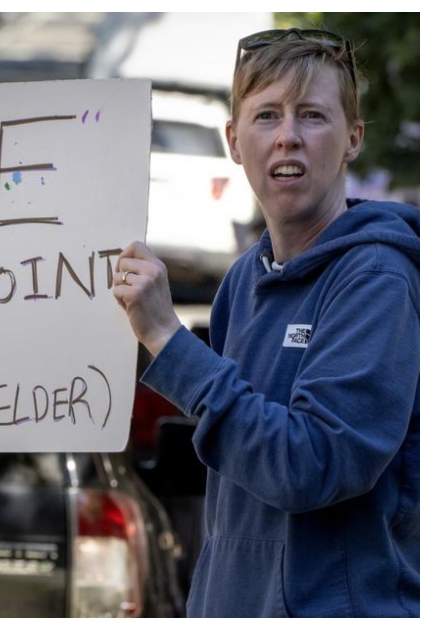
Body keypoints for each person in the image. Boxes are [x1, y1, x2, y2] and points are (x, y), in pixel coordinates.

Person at [113, 29, 419, 617]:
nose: (287, 138)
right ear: (233, 140)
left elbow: (311, 464)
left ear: (353, 139)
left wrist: (165, 339)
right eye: (267, 116)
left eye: (312, 116)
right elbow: (237, 474)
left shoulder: (378, 279)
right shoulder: (243, 281)